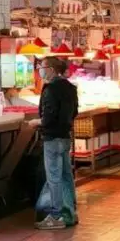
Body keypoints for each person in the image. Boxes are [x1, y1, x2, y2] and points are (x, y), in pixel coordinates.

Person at [28, 57, 80, 229]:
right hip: (65, 137)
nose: (40, 70)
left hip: (52, 139)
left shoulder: (50, 89)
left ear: (51, 69)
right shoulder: (70, 88)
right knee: (67, 176)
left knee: (54, 178)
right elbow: (75, 111)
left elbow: (48, 117)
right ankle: (71, 212)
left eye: (42, 67)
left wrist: (37, 122)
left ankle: (56, 216)